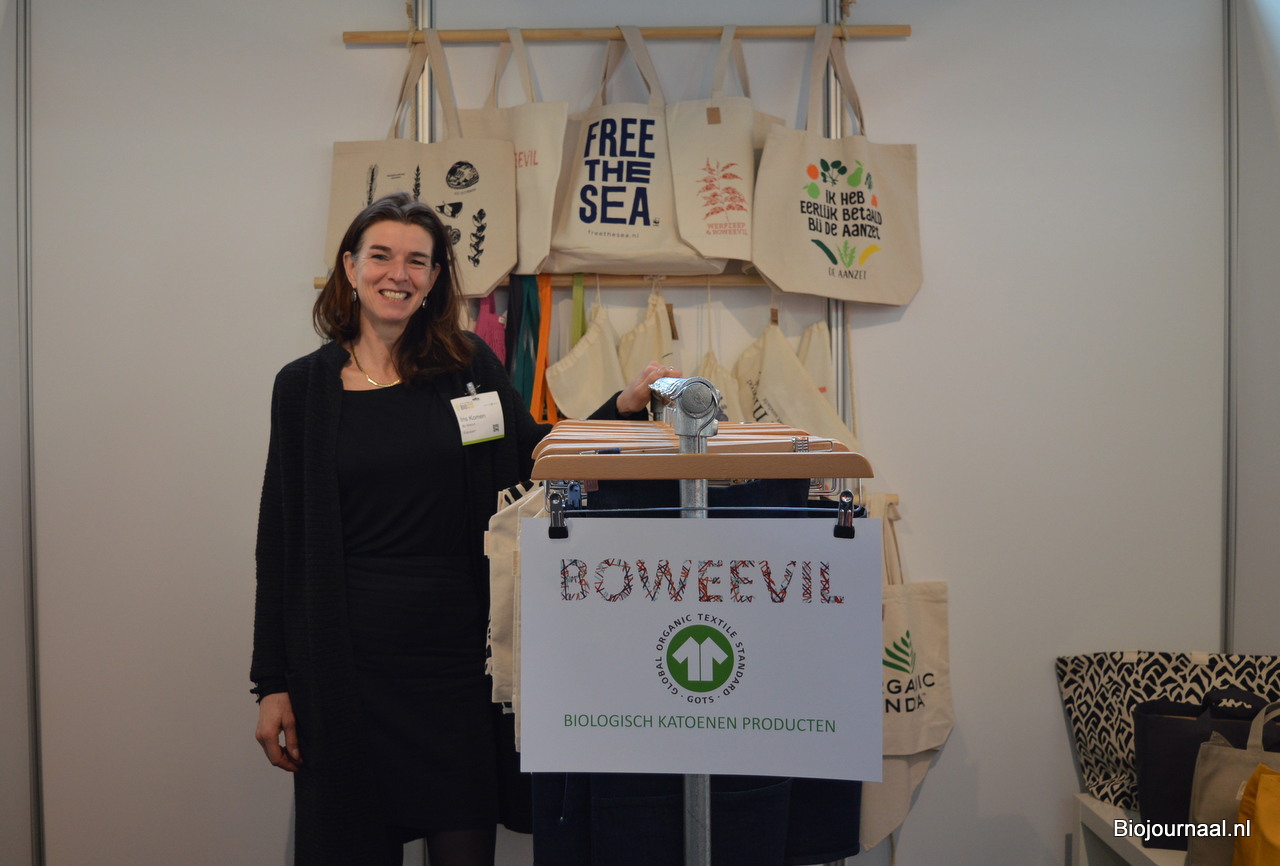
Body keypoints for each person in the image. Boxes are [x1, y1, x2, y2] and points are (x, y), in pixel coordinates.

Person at [250, 193, 677, 866]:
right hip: (344, 665)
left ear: (435, 277)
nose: (398, 274)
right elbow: (279, 540)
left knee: (464, 844)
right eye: (381, 256)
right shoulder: (302, 388)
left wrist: (620, 409)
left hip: (457, 661)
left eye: (417, 261)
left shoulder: (468, 367)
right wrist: (271, 682)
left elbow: (533, 459)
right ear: (350, 268)